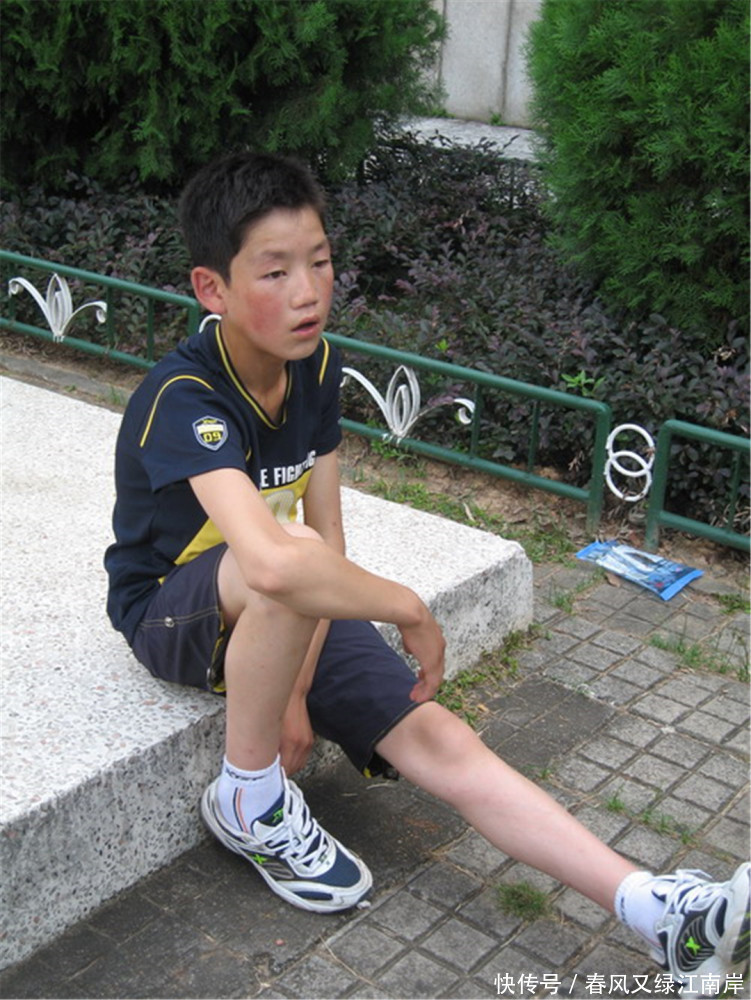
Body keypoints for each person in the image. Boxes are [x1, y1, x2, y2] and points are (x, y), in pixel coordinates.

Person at [105, 151, 749, 994]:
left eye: (319, 262)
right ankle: (247, 799)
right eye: (275, 271)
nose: (307, 292)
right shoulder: (183, 396)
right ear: (211, 288)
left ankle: (659, 913)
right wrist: (406, 607)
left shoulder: (316, 367)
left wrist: (293, 685)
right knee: (281, 557)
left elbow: (323, 538)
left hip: (279, 600)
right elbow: (268, 560)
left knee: (438, 734)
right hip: (171, 612)